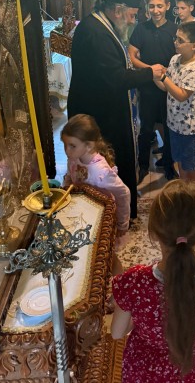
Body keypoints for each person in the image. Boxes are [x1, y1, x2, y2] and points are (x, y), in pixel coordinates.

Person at [111, 180, 195, 383]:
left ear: (153, 232)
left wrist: (139, 313)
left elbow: (117, 333)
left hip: (144, 373)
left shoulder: (134, 281)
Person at [67, 0, 166, 219]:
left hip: (102, 105)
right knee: (105, 160)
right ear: (118, 10)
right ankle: (113, 212)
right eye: (131, 15)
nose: (133, 21)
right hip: (100, 112)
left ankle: (116, 207)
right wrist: (149, 73)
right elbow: (115, 77)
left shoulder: (100, 24)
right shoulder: (96, 33)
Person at [61, 114, 130, 273]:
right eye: (65, 145)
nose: (66, 150)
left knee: (108, 254)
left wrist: (122, 223)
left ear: (89, 146)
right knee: (90, 253)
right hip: (85, 214)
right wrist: (67, 185)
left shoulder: (101, 173)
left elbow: (123, 193)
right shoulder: (74, 157)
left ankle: (118, 279)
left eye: (72, 145)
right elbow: (71, 175)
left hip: (102, 218)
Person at [128, 0, 177, 183]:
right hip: (148, 85)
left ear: (168, 5)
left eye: (159, 6)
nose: (155, 10)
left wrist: (165, 74)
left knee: (169, 125)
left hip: (169, 86)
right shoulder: (141, 28)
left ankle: (169, 164)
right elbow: (132, 56)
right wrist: (151, 70)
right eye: (151, 6)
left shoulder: (174, 29)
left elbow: (181, 57)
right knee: (146, 127)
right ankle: (142, 166)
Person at [154, 22, 195, 183]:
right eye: (175, 38)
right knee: (180, 160)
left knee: (191, 163)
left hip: (189, 126)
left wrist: (164, 77)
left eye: (180, 40)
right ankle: (185, 188)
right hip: (174, 122)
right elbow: (167, 88)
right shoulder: (175, 59)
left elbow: (182, 95)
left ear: (194, 46)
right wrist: (154, 77)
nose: (175, 42)